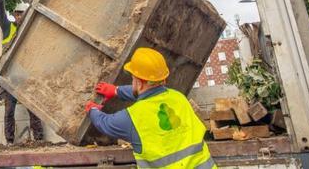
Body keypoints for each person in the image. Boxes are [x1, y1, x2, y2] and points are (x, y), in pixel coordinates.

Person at [85, 47, 216, 169]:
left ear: (139, 82)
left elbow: (104, 123)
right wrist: (116, 91)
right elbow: (150, 93)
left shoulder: (132, 118)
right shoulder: (178, 98)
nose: (132, 82)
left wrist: (92, 110)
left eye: (133, 79)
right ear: (162, 79)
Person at [0, 0, 44, 144]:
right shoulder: (7, 28)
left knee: (33, 109)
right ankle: (9, 140)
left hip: (25, 77)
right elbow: (0, 14)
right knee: (9, 111)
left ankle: (38, 138)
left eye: (21, 13)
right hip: (10, 78)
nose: (18, 16)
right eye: (17, 14)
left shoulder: (30, 28)